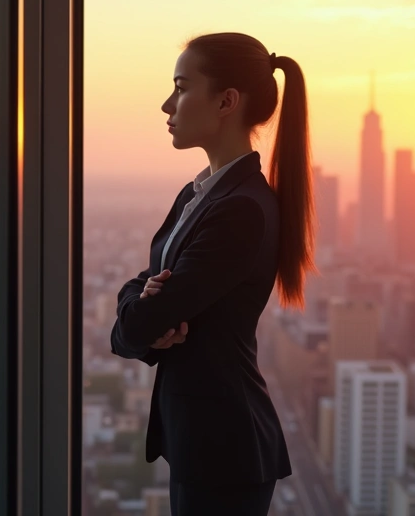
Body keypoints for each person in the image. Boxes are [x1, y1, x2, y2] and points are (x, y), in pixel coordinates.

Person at [109, 32, 313, 515]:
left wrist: (143, 314)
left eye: (181, 87)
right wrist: (144, 304)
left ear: (226, 101)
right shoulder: (200, 195)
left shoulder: (241, 209)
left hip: (225, 446)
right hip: (205, 442)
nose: (167, 104)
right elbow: (142, 287)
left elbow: (138, 324)